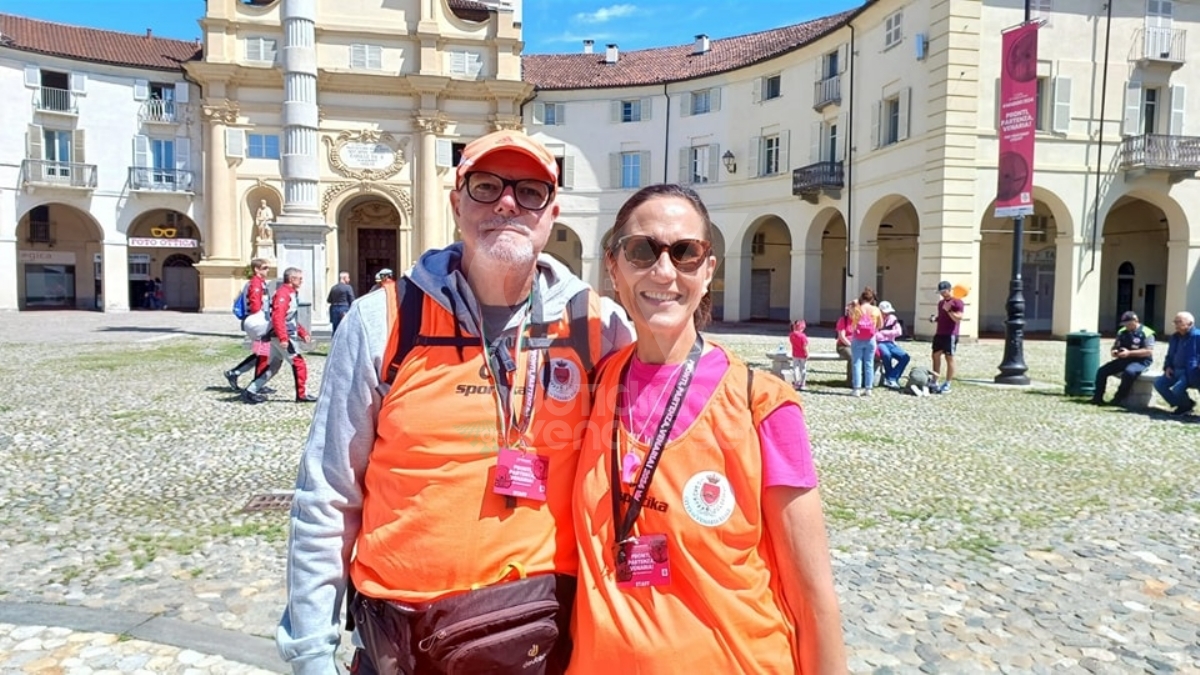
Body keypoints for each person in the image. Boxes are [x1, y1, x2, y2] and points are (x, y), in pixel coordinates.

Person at [276, 130, 634, 674]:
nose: (508, 203)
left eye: (530, 191)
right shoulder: (383, 321)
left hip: (535, 637)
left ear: (552, 212)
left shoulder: (598, 326)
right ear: (456, 202)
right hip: (402, 640)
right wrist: (309, 654)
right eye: (486, 187)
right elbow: (327, 495)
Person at [571, 184, 846, 674]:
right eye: (641, 250)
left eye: (685, 253)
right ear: (613, 267)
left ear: (709, 271)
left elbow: (813, 597)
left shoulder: (762, 403)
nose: (663, 271)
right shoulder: (596, 384)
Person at [242, 267, 315, 404]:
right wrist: (283, 338)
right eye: (300, 278)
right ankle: (302, 394)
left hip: (281, 334)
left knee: (274, 365)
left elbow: (290, 318)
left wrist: (302, 333)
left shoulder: (290, 293)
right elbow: (278, 317)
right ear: (292, 279)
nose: (302, 281)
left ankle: (250, 391)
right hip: (281, 335)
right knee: (298, 363)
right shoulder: (284, 294)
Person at [225, 258, 272, 391]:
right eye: (264, 268)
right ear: (256, 269)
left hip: (256, 321)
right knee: (263, 353)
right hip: (257, 321)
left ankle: (249, 379)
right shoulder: (256, 284)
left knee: (261, 353)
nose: (267, 270)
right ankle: (247, 379)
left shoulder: (259, 283)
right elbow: (255, 305)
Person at [1090, 311, 1154, 407]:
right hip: (1124, 359)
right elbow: (1116, 346)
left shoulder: (1147, 332)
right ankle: (1097, 397)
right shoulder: (1122, 332)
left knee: (1129, 372)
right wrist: (1115, 351)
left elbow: (1148, 351)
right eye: (1124, 324)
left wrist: (1129, 353)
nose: (1126, 326)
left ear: (1135, 321)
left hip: (1141, 361)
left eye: (1128, 324)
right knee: (1102, 371)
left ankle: (1119, 398)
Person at [1153, 311, 1200, 415]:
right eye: (1175, 322)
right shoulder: (1174, 337)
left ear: (1190, 323)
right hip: (1174, 370)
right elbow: (1169, 355)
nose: (1176, 325)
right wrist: (1168, 367)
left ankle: (1184, 406)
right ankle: (1185, 404)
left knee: (1177, 389)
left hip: (1190, 372)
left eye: (1179, 322)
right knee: (1159, 384)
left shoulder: (1197, 336)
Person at [930, 280, 964, 394]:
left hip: (950, 334)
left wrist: (949, 310)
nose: (942, 294)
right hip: (940, 332)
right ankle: (934, 380)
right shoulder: (940, 303)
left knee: (949, 358)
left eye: (944, 291)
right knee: (935, 355)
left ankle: (948, 383)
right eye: (940, 292)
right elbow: (942, 317)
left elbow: (958, 318)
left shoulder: (957, 302)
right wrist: (935, 318)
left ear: (949, 290)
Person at [849, 289, 882, 397]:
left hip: (857, 338)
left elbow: (850, 320)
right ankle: (868, 388)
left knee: (857, 363)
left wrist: (854, 304)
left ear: (862, 298)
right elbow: (880, 325)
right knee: (869, 363)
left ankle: (857, 388)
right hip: (871, 339)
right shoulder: (876, 310)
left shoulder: (857, 309)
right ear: (872, 299)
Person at [876, 300, 910, 389]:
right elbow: (876, 335)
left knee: (905, 357)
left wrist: (885, 332)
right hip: (879, 343)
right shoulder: (875, 318)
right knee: (886, 355)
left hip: (890, 343)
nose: (887, 314)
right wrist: (888, 333)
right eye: (884, 313)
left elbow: (899, 332)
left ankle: (891, 377)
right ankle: (891, 378)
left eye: (888, 312)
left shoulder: (893, 318)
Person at [788, 318, 809, 391]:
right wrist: (807, 353)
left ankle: (796, 383)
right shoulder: (803, 336)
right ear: (802, 327)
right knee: (803, 369)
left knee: (795, 368)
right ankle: (802, 383)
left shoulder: (791, 335)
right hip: (802, 354)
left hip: (795, 354)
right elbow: (804, 346)